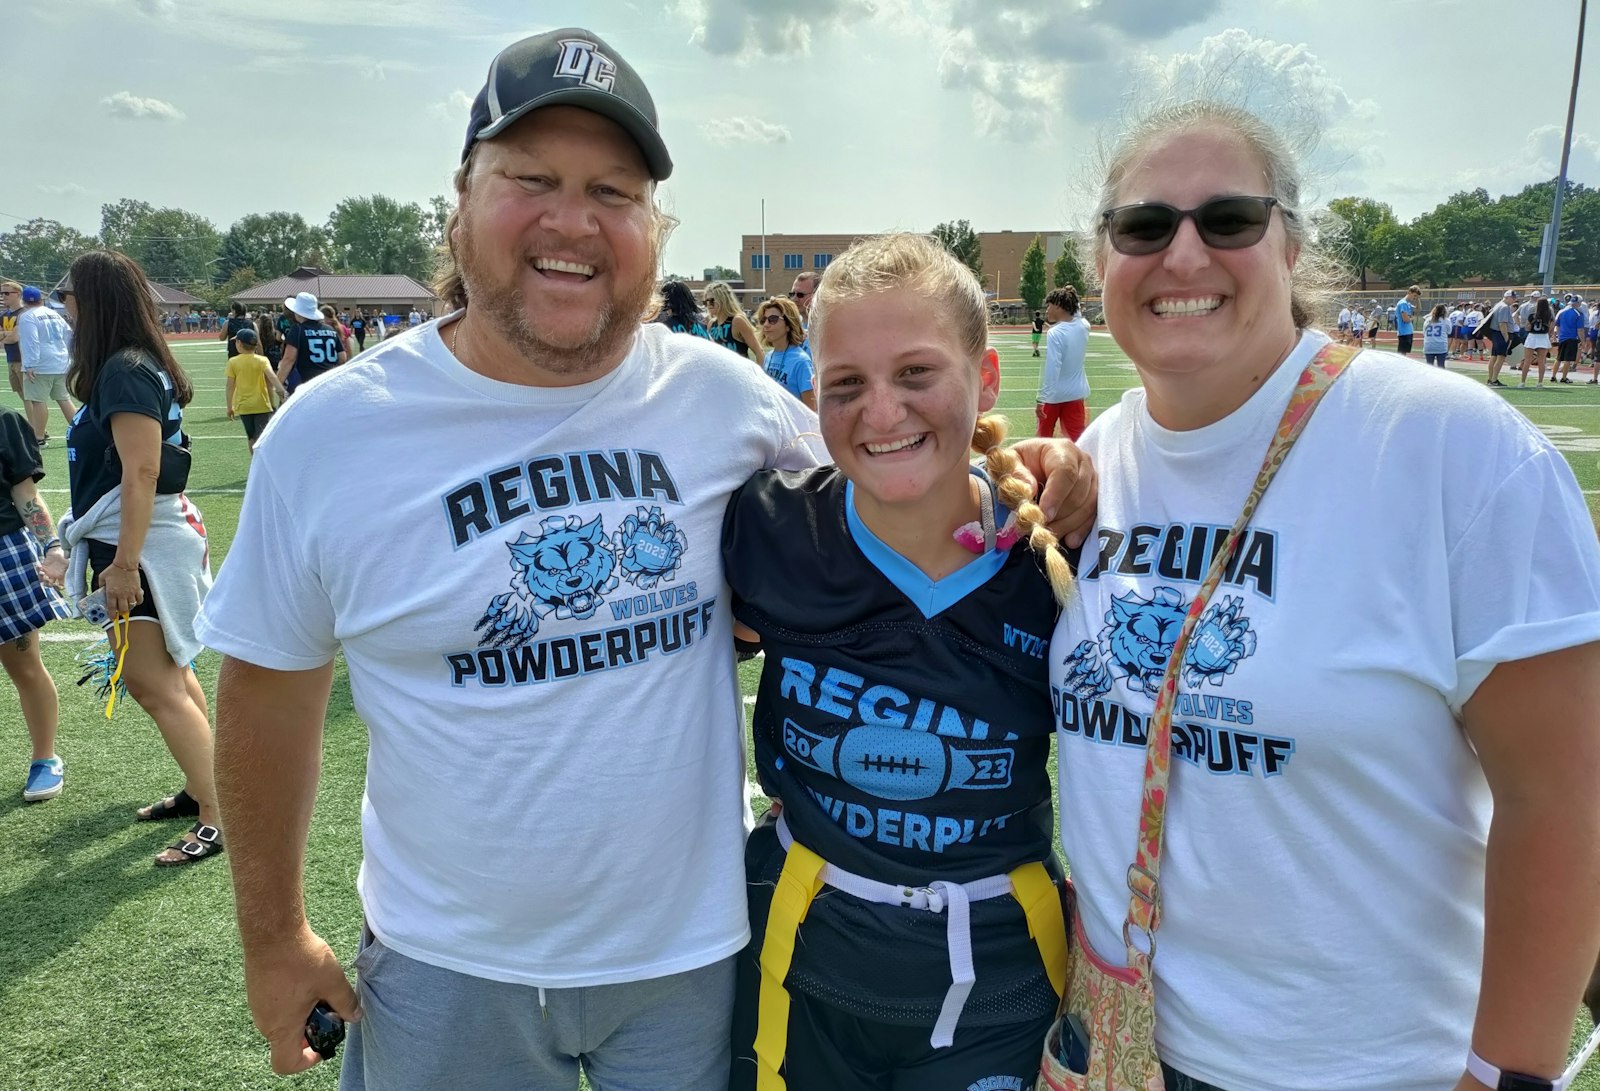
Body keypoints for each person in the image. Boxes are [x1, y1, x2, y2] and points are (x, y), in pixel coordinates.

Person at [196, 27, 1096, 1088]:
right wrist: (271, 932)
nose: (571, 220)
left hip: (696, 956)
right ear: (462, 196)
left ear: (653, 226)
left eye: (612, 192)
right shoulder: (332, 431)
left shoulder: (727, 402)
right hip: (449, 963)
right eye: (531, 178)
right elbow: (265, 686)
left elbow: (902, 463)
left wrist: (1036, 470)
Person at [1051, 99, 1600, 1091]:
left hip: (1378, 1065)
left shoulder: (1449, 448)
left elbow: (1565, 795)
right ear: (1102, 259)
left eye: (1227, 220)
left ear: (1293, 243)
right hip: (1125, 1050)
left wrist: (1505, 1074)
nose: (1182, 255)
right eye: (1143, 225)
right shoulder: (1098, 460)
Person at [725, 233, 1076, 1091]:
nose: (881, 412)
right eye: (846, 384)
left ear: (986, 377)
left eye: (916, 373)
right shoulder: (766, 529)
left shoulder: (1062, 551)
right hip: (802, 953)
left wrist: (1072, 468)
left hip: (999, 963)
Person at [57, 251, 220, 867]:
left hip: (144, 540)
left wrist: (123, 562)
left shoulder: (123, 369)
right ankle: (205, 787)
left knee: (153, 683)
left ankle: (217, 811)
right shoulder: (132, 364)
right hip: (150, 534)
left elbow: (142, 470)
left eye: (69, 296)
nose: (63, 307)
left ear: (93, 302)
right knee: (173, 674)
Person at [0, 403, 69, 800]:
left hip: (5, 553)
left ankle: (45, 759)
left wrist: (52, 547)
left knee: (24, 667)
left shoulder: (5, 421)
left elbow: (26, 496)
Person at [17, 286, 76, 445]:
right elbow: (69, 335)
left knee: (37, 401)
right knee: (64, 399)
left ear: (23, 300)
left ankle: (39, 437)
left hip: (41, 364)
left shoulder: (27, 316)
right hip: (61, 361)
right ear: (41, 299)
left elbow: (32, 341)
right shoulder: (54, 314)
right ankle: (79, 430)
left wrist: (30, 364)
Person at [1036, 285, 1091, 439]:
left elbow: (1053, 368)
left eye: (1049, 305)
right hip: (1076, 394)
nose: (1047, 310)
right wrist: (1072, 294)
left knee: (1043, 440)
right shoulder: (1084, 326)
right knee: (1077, 441)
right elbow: (1077, 313)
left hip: (1053, 396)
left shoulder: (1055, 333)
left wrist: (1041, 398)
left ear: (1059, 306)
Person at [224, 327, 286, 455]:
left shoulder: (233, 362)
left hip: (244, 406)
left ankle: (255, 465)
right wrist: (283, 396)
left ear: (239, 344)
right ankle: (263, 464)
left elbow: (230, 386)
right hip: (261, 404)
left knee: (251, 436)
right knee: (261, 437)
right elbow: (273, 378)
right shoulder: (262, 360)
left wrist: (230, 406)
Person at [276, 291, 346, 393]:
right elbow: (342, 357)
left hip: (306, 383)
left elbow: (288, 359)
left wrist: (278, 384)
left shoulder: (298, 330)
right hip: (329, 381)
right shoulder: (330, 329)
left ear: (298, 312)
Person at [758, 296, 814, 409]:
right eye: (764, 320)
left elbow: (811, 411)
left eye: (773, 319)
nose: (766, 325)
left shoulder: (801, 362)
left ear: (788, 325)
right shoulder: (768, 357)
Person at [703, 281, 764, 368]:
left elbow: (759, 352)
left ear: (722, 300)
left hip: (740, 376)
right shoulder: (711, 324)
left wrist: (760, 377)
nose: (708, 305)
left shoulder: (737, 321)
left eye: (711, 301)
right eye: (706, 302)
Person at [1483, 289, 1517, 386]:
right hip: (1500, 334)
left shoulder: (1498, 305)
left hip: (1496, 333)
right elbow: (1502, 323)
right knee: (1500, 357)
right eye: (1513, 298)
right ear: (1507, 297)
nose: (1514, 300)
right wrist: (1506, 337)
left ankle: (1490, 378)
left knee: (1494, 357)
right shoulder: (1504, 307)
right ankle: (1494, 379)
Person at [1519, 295, 1553, 387]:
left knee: (1527, 361)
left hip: (1532, 337)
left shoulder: (1532, 315)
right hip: (1543, 337)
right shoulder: (1548, 316)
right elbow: (1551, 327)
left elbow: (1527, 327)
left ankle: (1522, 382)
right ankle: (1540, 383)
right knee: (1542, 362)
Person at [1, 281, 24, 402]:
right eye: (2, 293)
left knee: (30, 398)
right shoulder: (3, 315)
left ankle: (35, 421)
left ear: (18, 294)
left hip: (23, 360)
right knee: (22, 395)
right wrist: (8, 334)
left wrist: (4, 335)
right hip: (10, 359)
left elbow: (15, 338)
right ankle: (31, 421)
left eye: (7, 293)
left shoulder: (24, 313)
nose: (3, 296)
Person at [1554, 294, 1584, 384]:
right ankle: (1563, 377)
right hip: (1572, 338)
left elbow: (1557, 325)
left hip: (1562, 337)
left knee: (1558, 358)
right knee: (1568, 359)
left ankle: (1553, 376)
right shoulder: (1578, 314)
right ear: (1578, 303)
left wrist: (1559, 336)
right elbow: (1580, 330)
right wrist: (1583, 340)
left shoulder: (1562, 312)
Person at [1393, 284, 1420, 355]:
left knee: (1404, 354)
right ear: (1409, 292)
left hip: (1408, 331)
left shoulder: (1408, 304)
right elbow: (1405, 319)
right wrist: (1412, 318)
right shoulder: (1403, 303)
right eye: (1414, 295)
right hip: (1404, 332)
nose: (1415, 298)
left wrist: (1418, 299)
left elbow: (1418, 309)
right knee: (1402, 355)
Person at [1422, 302, 1449, 368]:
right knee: (1441, 366)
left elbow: (1424, 333)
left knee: (1429, 366)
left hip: (1428, 345)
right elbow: (1449, 331)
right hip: (1441, 345)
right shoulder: (1446, 320)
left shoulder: (1427, 320)